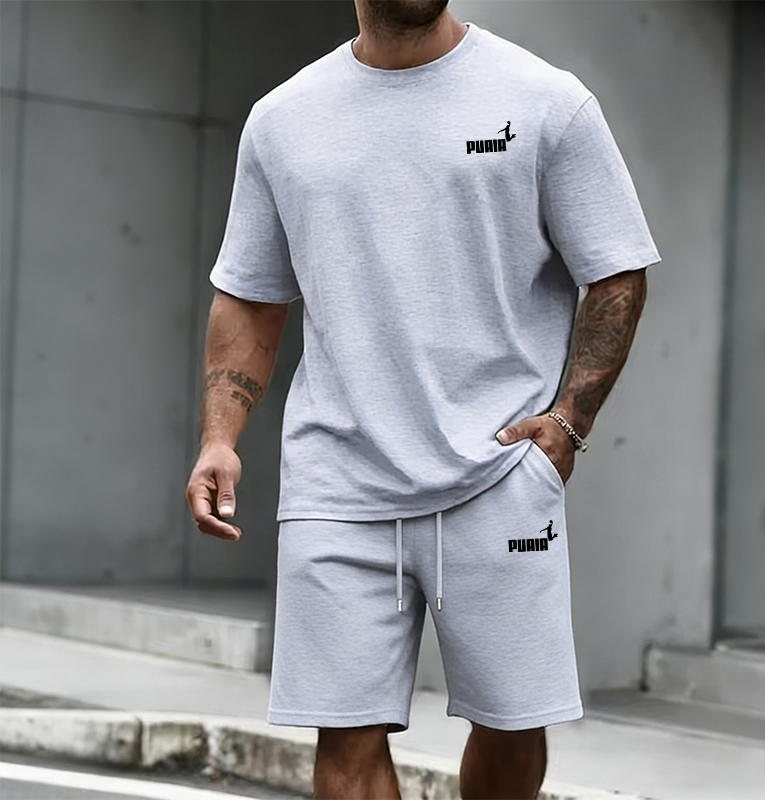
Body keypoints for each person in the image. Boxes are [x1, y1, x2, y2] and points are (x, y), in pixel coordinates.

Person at [186, 1, 661, 797]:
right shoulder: (283, 120)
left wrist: (568, 423)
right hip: (337, 482)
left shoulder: (547, 102)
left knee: (512, 726)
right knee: (344, 734)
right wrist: (219, 437)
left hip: (500, 474)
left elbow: (616, 272)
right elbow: (251, 298)